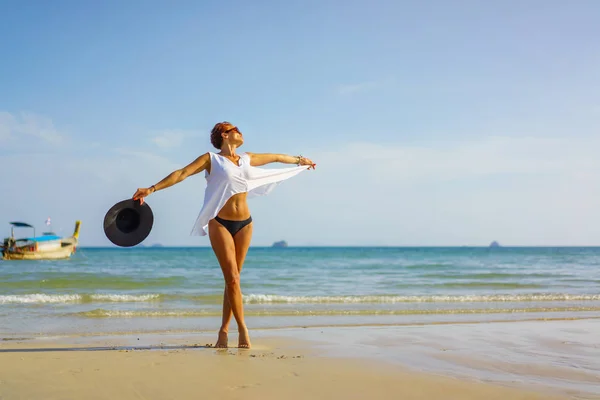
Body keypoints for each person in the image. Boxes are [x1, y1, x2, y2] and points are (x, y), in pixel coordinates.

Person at [132, 122, 316, 349]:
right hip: (219, 222)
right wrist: (151, 189)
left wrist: (301, 161)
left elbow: (277, 157)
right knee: (233, 279)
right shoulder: (211, 159)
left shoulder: (247, 158)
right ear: (224, 135)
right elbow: (182, 173)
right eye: (234, 128)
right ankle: (243, 330)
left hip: (245, 224)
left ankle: (223, 331)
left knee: (233, 280)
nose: (240, 130)